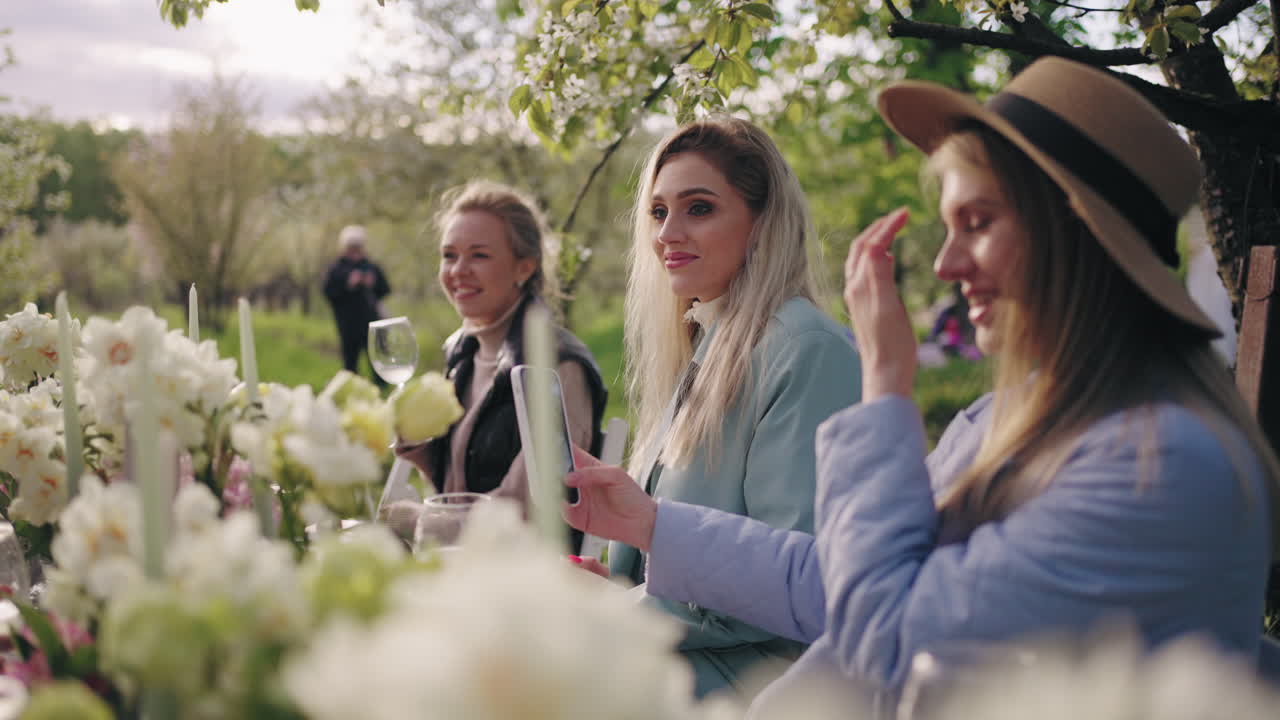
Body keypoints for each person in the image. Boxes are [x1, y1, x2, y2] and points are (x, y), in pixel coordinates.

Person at [562, 57, 1279, 713]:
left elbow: (892, 637)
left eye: (978, 222)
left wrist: (886, 395)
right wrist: (653, 523)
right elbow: (838, 579)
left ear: (1075, 234)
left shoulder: (1162, 465)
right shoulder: (1008, 420)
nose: (944, 265)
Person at [578, 116, 860, 698]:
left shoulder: (805, 350)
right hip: (678, 662)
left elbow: (795, 581)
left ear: (762, 223)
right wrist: (608, 588)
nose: (667, 234)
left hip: (760, 686)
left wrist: (612, 619)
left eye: (698, 208)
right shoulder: (708, 341)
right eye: (658, 212)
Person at [389, 181, 608, 548]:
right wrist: (420, 446)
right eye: (449, 255)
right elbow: (457, 485)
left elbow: (528, 508)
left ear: (524, 267)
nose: (458, 270)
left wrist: (415, 520)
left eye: (479, 255)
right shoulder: (461, 353)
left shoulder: (558, 366)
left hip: (526, 576)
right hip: (461, 562)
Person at [323, 225, 391, 380]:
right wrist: (348, 284)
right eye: (351, 247)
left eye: (357, 247)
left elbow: (385, 290)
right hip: (347, 324)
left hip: (371, 323)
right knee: (350, 364)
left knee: (377, 360)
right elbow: (328, 292)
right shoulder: (336, 268)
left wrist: (372, 283)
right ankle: (350, 388)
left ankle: (382, 389)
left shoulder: (371, 267)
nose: (355, 251)